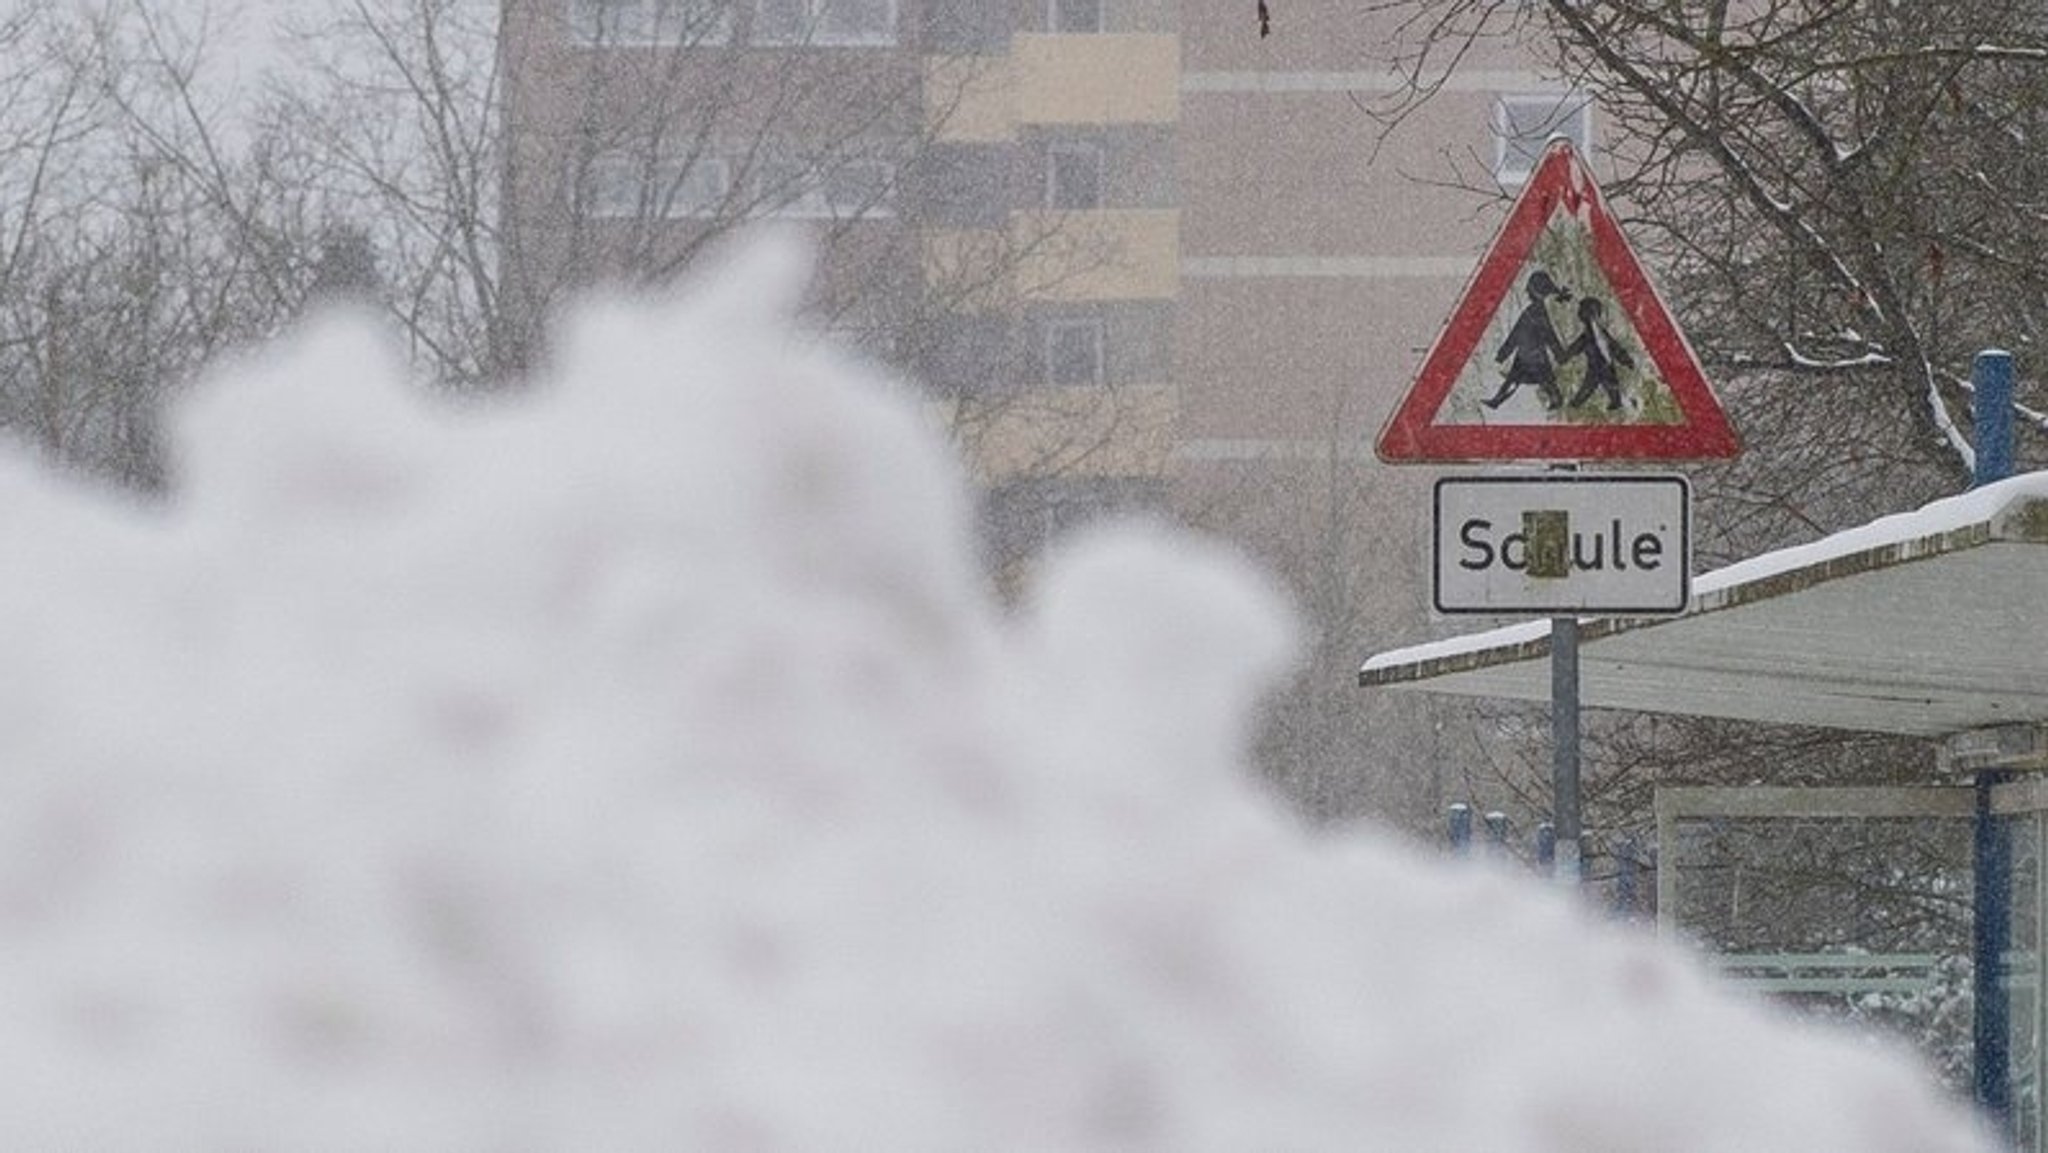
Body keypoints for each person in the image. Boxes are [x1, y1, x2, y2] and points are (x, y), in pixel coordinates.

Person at [1482, 271, 1571, 410]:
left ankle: (1556, 399)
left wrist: (1503, 353)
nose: (1526, 291)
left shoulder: (1536, 312)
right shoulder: (1533, 311)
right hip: (1528, 353)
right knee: (1517, 379)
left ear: (1535, 291)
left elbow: (1547, 335)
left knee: (1543, 379)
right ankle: (1497, 401)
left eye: (1529, 288)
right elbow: (1518, 334)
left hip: (1534, 355)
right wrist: (1503, 353)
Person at [1563, 295, 1634, 411]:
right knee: (1590, 385)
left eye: (1595, 313)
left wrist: (1626, 360)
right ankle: (1576, 403)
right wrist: (1566, 356)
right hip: (1595, 366)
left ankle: (1616, 402)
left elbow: (1614, 346)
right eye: (1591, 313)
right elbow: (1576, 346)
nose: (1593, 317)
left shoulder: (1603, 332)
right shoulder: (1586, 335)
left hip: (1607, 364)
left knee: (1611, 384)